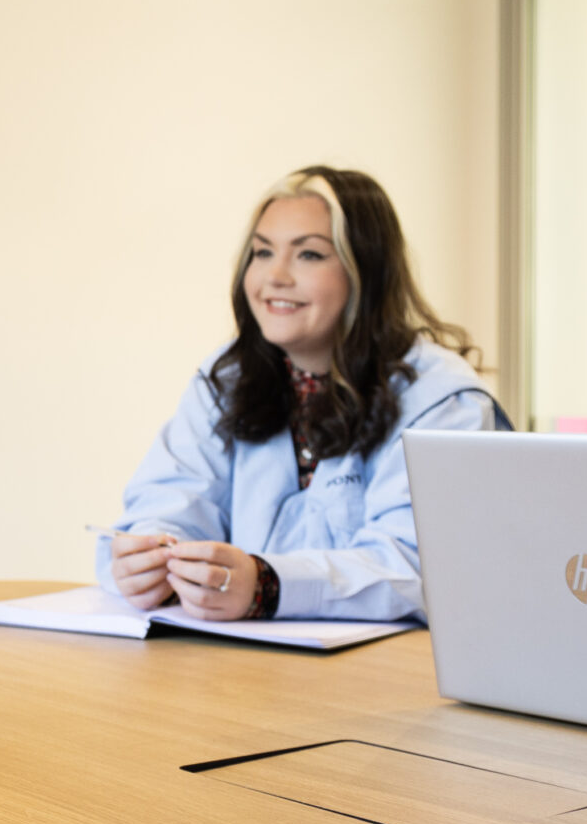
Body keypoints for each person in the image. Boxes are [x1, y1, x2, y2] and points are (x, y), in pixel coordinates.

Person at [100, 167, 502, 622]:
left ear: (366, 272)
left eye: (308, 255)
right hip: (238, 668)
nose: (275, 276)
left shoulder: (442, 400)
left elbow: (420, 566)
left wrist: (268, 584)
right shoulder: (224, 381)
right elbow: (171, 500)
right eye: (262, 252)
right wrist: (151, 555)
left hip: (388, 676)